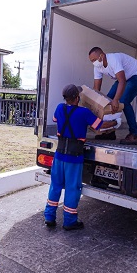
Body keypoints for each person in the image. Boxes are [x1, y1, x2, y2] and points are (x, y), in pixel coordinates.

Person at [44, 84, 117, 230]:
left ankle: (49, 217)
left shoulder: (59, 108)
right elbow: (99, 126)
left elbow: (55, 119)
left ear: (65, 98)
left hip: (59, 155)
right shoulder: (84, 112)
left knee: (56, 185)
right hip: (74, 156)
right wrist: (115, 122)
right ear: (77, 98)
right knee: (72, 188)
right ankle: (69, 221)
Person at [88, 47, 137, 145]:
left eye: (94, 60)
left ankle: (135, 134)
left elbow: (122, 81)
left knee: (124, 101)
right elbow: (96, 89)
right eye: (91, 61)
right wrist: (95, 104)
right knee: (107, 101)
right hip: (125, 78)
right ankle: (109, 133)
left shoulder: (113, 59)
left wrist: (116, 99)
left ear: (102, 55)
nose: (94, 62)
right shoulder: (97, 67)